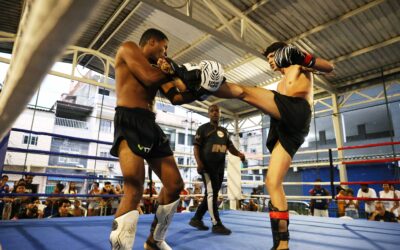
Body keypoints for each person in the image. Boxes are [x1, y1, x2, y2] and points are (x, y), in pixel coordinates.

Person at [204, 43, 333, 249]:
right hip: (288, 128)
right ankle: (282, 243)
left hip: (297, 112)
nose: (270, 60)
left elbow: (329, 67)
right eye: (268, 58)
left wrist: (302, 57)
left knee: (244, 92)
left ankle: (202, 87)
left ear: (284, 53)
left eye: (273, 56)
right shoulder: (281, 82)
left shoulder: (299, 65)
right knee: (272, 182)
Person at [108, 28, 207, 250]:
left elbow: (177, 97)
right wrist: (177, 70)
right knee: (134, 185)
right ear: (151, 41)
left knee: (174, 184)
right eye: (164, 47)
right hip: (129, 119)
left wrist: (203, 88)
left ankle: (154, 241)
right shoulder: (129, 48)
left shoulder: (158, 68)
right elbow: (148, 77)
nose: (165, 52)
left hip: (150, 125)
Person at [189, 104, 245, 235]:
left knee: (211, 194)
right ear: (209, 114)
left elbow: (230, 147)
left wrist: (239, 154)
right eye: (212, 111)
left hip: (219, 168)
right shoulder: (203, 129)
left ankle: (196, 219)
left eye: (217, 111)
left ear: (220, 114)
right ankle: (216, 224)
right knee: (211, 194)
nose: (215, 113)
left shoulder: (224, 131)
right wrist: (199, 163)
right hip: (207, 167)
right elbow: (196, 148)